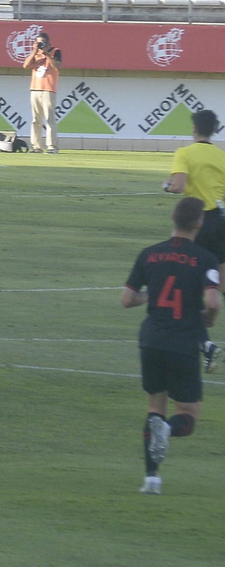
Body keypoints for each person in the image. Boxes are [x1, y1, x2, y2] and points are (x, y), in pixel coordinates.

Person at [121, 197, 221, 494]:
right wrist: (209, 318)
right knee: (188, 415)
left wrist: (148, 297)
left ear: (173, 220)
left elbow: (127, 299)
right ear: (199, 224)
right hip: (183, 340)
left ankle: (151, 478)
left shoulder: (149, 254)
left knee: (155, 407)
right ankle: (168, 430)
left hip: (151, 339)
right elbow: (213, 301)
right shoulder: (204, 258)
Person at [162, 108, 225, 372]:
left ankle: (205, 343)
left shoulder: (185, 153)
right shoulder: (221, 156)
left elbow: (179, 185)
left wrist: (167, 186)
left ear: (194, 129)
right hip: (221, 220)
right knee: (221, 283)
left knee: (187, 284)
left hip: (196, 223)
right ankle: (206, 343)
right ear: (214, 130)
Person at [23, 34, 62, 154]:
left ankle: (52, 146)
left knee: (49, 119)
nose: (40, 45)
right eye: (38, 42)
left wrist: (46, 54)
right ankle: (36, 146)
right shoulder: (36, 54)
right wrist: (35, 51)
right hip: (35, 88)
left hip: (48, 89)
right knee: (36, 119)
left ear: (48, 43)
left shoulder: (55, 51)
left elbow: (57, 66)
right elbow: (26, 65)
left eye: (42, 42)